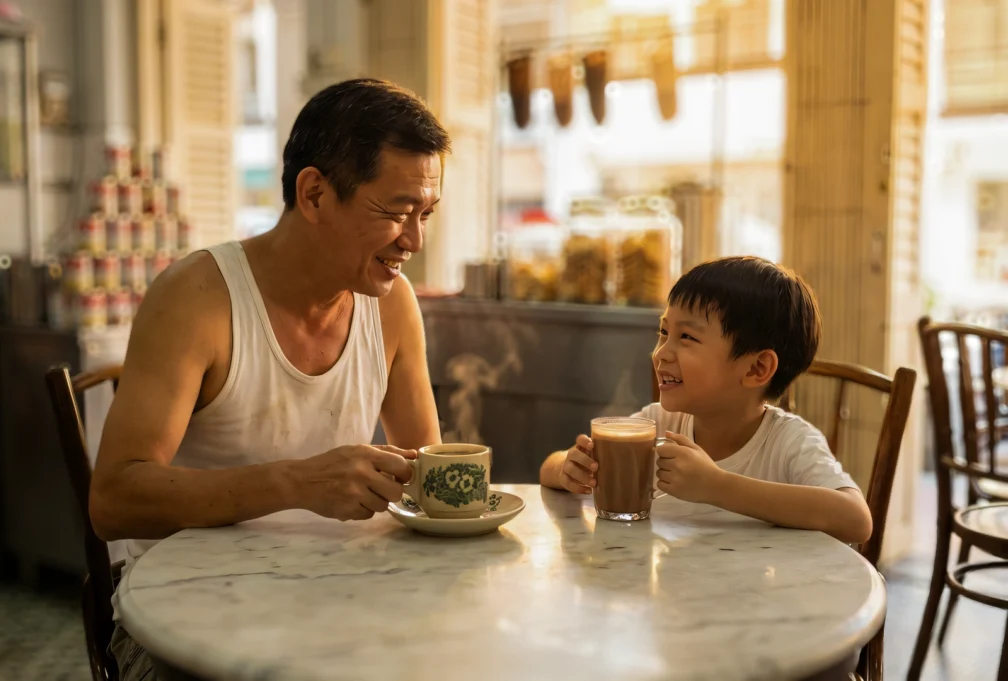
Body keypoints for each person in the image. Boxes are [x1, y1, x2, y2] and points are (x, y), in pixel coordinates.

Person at [90, 78, 451, 679]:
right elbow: (114, 501)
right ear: (313, 194)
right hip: (183, 618)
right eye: (395, 212)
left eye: (426, 214)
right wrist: (296, 482)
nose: (413, 240)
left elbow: (429, 474)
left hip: (335, 603)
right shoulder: (198, 299)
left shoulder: (392, 304)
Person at [539, 256, 873, 544]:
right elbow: (548, 468)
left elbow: (856, 520)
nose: (661, 353)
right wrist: (570, 467)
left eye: (686, 337)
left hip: (764, 606)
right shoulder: (659, 423)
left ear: (757, 368)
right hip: (683, 602)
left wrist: (716, 485)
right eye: (664, 332)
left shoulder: (788, 442)